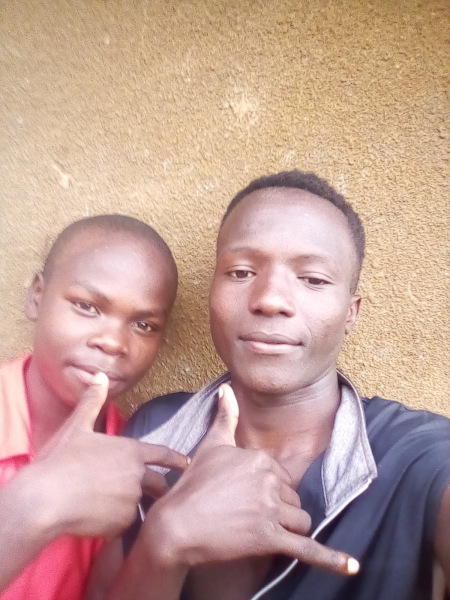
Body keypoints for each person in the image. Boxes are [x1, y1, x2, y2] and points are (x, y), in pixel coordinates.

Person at [91, 172, 450, 600]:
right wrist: (166, 541)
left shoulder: (423, 458)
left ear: (350, 312)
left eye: (313, 279)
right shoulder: (155, 428)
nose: (270, 299)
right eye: (241, 272)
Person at [0, 214, 190, 600]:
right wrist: (31, 507)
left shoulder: (135, 463)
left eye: (144, 325)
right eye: (87, 306)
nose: (114, 342)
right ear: (37, 296)